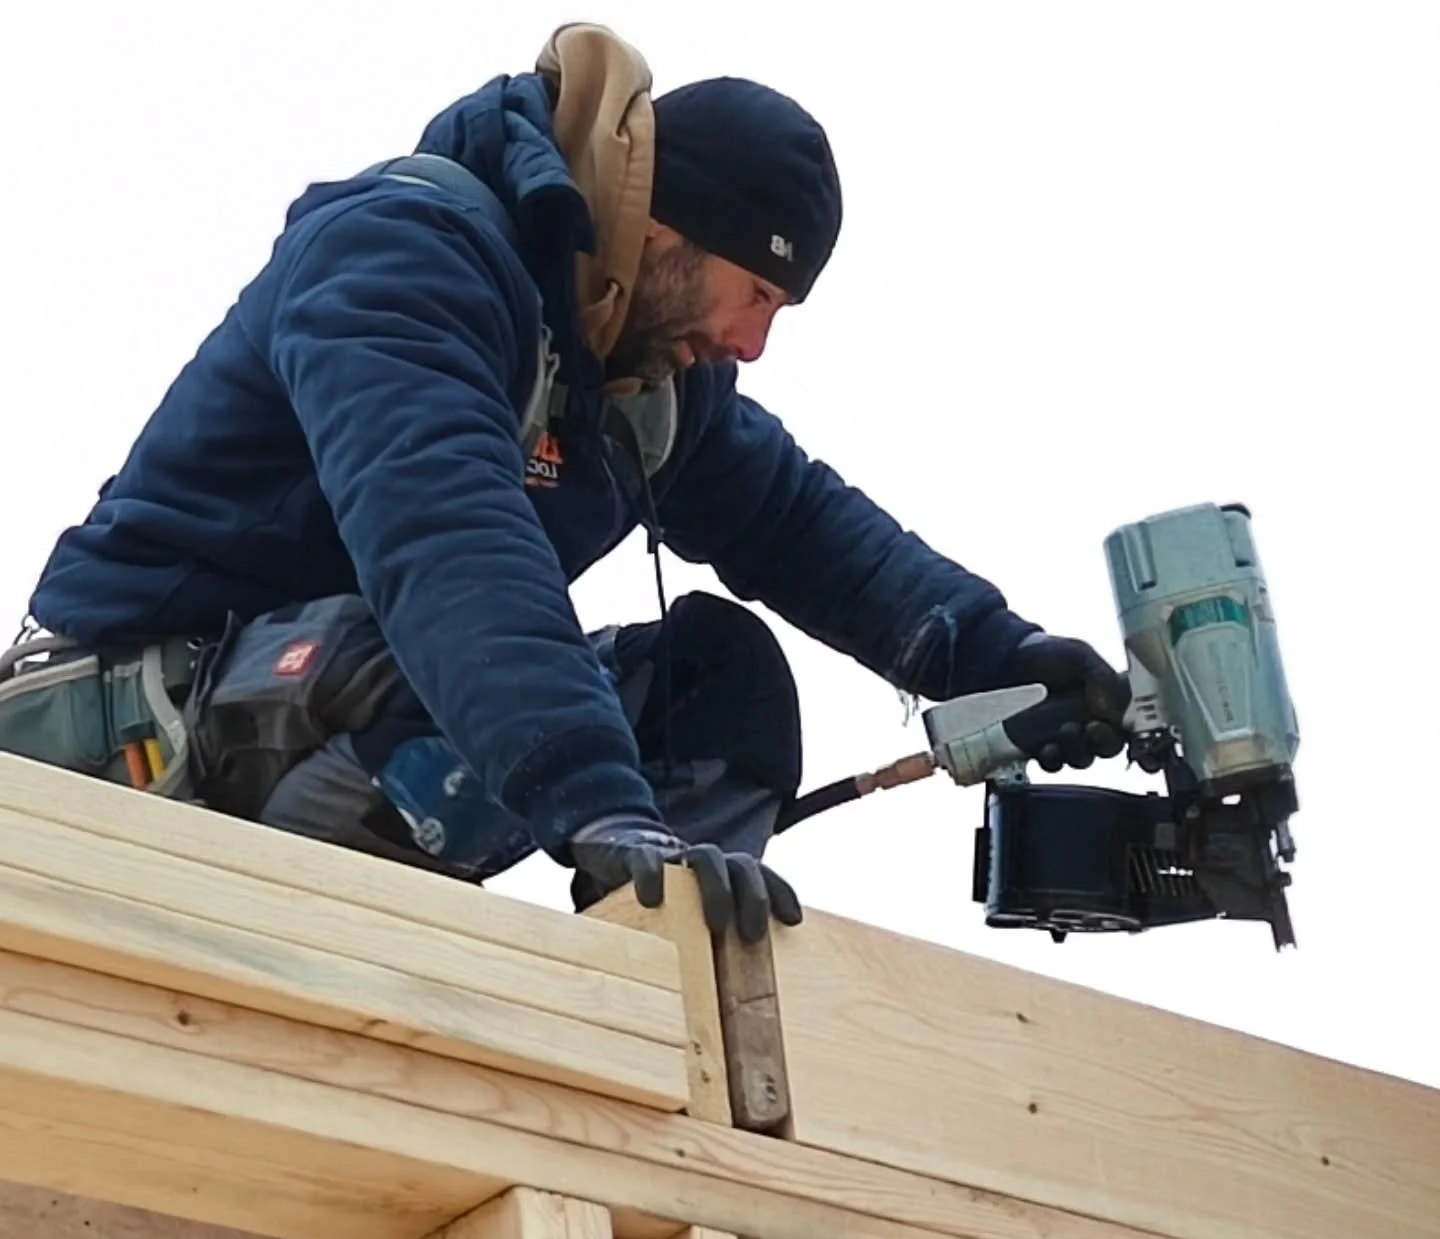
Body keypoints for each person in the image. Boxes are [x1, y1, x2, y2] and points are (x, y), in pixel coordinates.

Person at [3, 23, 1128, 944]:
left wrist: (1000, 660)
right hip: (136, 753)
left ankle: (668, 972)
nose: (750, 345)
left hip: (325, 711)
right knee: (423, 659)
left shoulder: (637, 380)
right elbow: (448, 545)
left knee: (722, 685)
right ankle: (307, 962)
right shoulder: (404, 253)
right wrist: (598, 801)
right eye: (754, 297)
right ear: (666, 230)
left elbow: (801, 524)